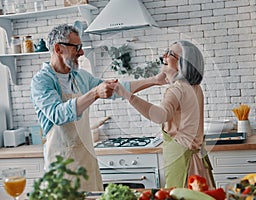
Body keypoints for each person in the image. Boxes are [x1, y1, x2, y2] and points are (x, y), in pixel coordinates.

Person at [30, 24, 166, 191]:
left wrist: (154, 80)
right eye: (77, 47)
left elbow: (117, 88)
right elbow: (58, 114)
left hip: (86, 162)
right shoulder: (42, 81)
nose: (81, 52)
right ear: (58, 49)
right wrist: (94, 93)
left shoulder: (80, 77)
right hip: (61, 169)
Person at [114, 40, 216, 188]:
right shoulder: (194, 87)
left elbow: (160, 116)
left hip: (183, 164)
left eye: (170, 54)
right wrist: (155, 80)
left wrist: (127, 95)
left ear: (183, 63)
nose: (164, 56)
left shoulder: (177, 89)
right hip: (196, 161)